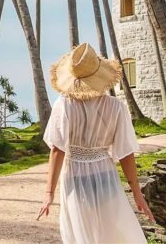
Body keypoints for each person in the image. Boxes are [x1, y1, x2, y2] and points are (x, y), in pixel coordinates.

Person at [38, 43, 154, 243]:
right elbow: (126, 153)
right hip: (105, 174)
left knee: (80, 232)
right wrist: (137, 193)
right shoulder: (116, 108)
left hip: (74, 175)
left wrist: (49, 193)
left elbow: (58, 150)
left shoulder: (64, 105)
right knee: (109, 231)